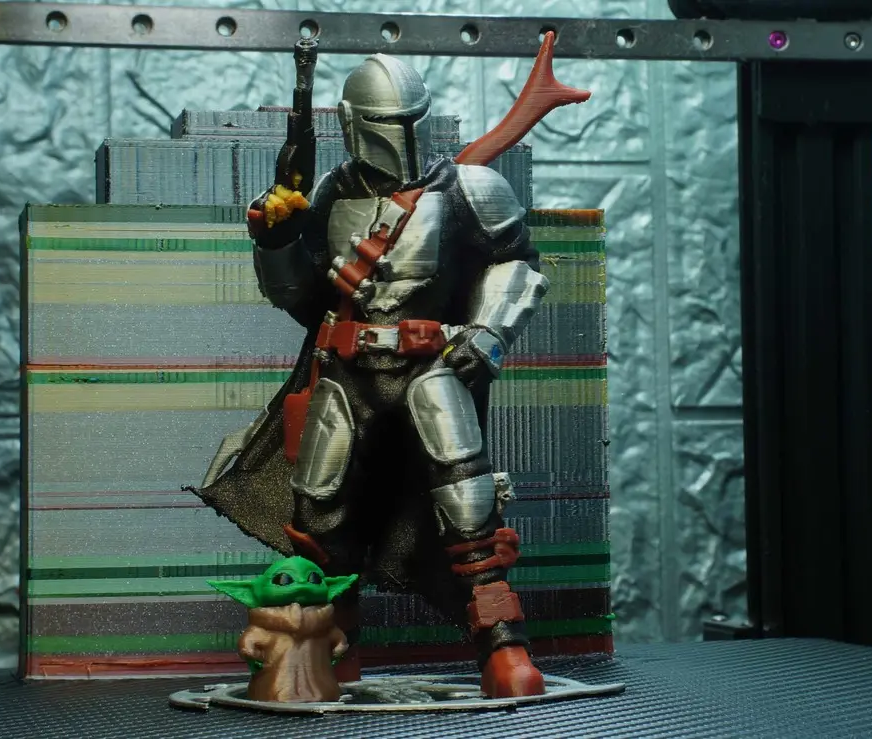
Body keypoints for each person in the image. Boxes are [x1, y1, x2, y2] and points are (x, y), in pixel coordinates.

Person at [193, 50, 589, 699]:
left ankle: (502, 644)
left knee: (466, 501)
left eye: (407, 121)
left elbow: (517, 264)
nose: (397, 136)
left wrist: (488, 333)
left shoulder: (469, 188)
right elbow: (299, 296)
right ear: (353, 124)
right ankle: (329, 649)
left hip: (431, 366)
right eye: (384, 123)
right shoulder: (333, 193)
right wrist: (275, 240)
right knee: (320, 510)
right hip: (349, 371)